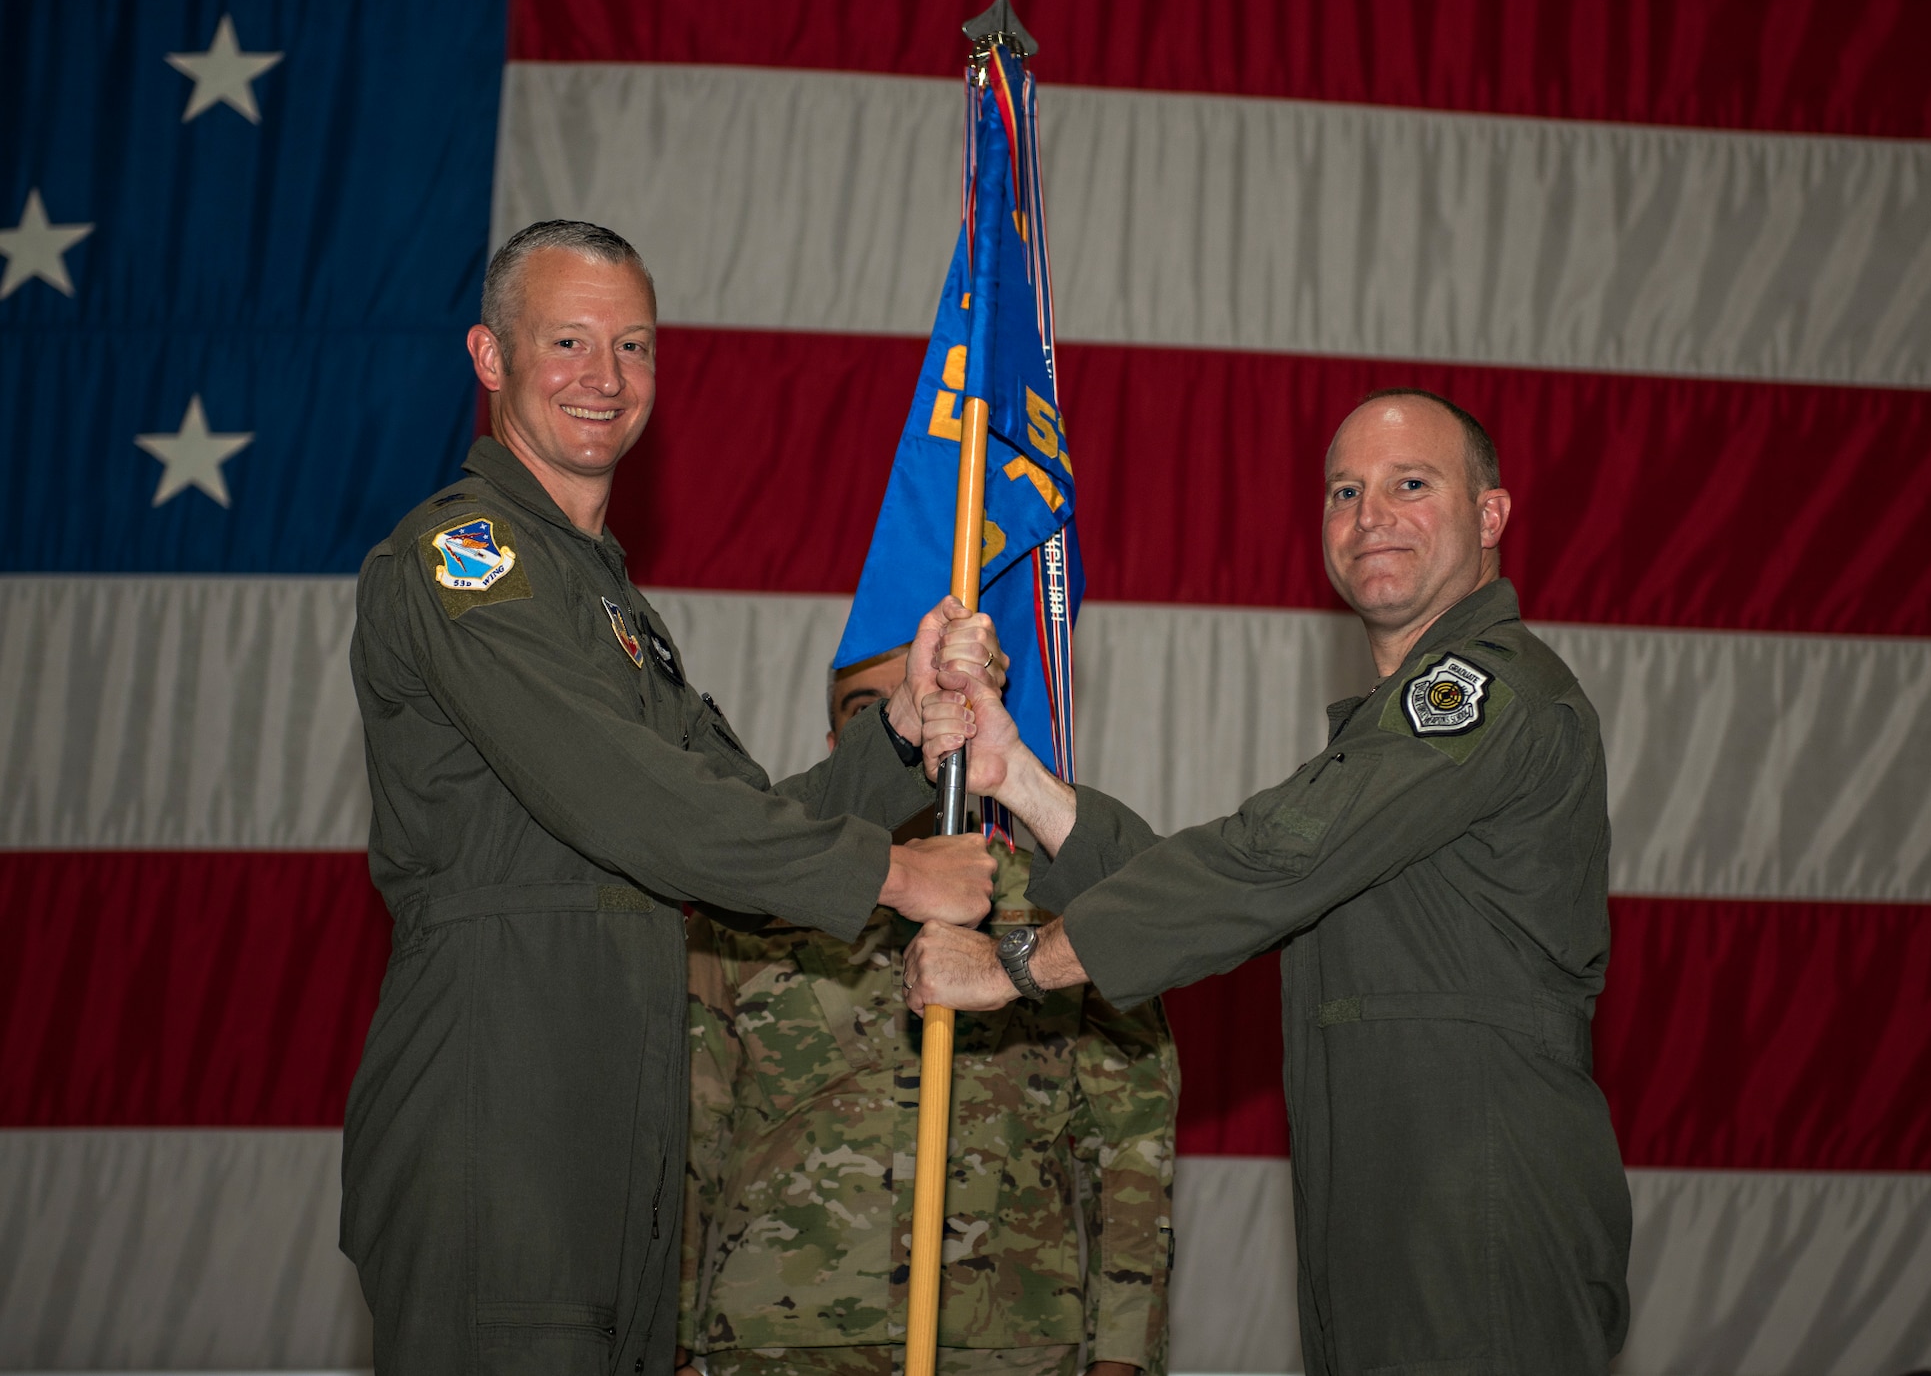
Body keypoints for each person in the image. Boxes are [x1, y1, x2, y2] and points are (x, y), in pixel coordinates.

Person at [341, 219, 998, 1376]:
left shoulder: (609, 603)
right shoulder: (464, 558)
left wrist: (895, 728)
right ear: (490, 359)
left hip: (618, 1123)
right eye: (568, 342)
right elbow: (630, 800)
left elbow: (734, 813)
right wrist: (893, 875)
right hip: (502, 1106)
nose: (605, 379)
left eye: (633, 346)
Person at [905, 390, 1633, 1375]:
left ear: (1489, 515)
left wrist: (1012, 964)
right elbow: (1245, 893)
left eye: (1408, 484)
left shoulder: (1485, 692)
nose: (1368, 515)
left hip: (1479, 1221)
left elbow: (1271, 860)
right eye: (1344, 491)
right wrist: (1017, 779)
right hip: (1381, 1215)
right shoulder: (1390, 735)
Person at [673, 645, 1179, 1376]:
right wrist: (674, 1342)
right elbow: (692, 1131)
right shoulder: (747, 912)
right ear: (839, 751)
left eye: (945, 706)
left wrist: (1123, 1357)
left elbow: (1131, 1141)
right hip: (780, 1335)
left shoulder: (1063, 909)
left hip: (1008, 1336)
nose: (926, 730)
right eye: (873, 712)